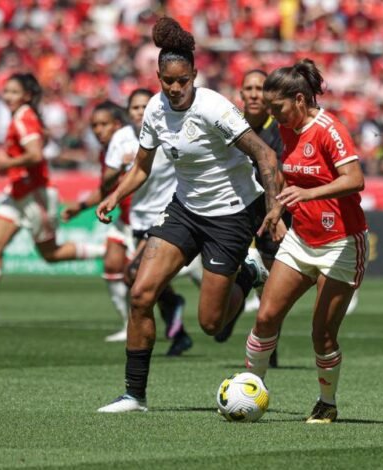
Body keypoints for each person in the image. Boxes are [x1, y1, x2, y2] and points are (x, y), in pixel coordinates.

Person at [95, 17, 283, 413]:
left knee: (213, 325)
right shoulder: (155, 111)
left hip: (232, 214)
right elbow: (142, 168)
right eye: (167, 81)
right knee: (141, 293)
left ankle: (248, 272)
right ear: (158, 76)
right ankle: (135, 395)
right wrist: (115, 196)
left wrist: (274, 212)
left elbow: (265, 155)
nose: (175, 88)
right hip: (184, 210)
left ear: (194, 75)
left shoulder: (214, 107)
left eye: (182, 80)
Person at [243, 59, 369, 423]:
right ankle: (250, 390)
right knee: (266, 317)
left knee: (322, 335)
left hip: (342, 243)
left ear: (300, 99)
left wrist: (307, 196)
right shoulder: (287, 129)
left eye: (277, 108)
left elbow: (355, 179)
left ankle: (327, 403)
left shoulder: (330, 129)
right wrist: (276, 208)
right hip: (301, 238)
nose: (273, 116)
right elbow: (289, 174)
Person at [0, 73, 103, 323]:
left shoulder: (24, 118)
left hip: (36, 195)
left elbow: (35, 155)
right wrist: (8, 167)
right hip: (17, 193)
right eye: (6, 91)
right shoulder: (20, 118)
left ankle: (110, 251)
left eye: (13, 92)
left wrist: (7, 162)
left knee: (51, 254)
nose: (7, 96)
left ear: (27, 95)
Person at [212, 69, 287, 369]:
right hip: (234, 211)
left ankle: (268, 348)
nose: (255, 94)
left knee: (270, 286)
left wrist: (277, 209)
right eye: (249, 88)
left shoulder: (280, 131)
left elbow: (283, 177)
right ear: (240, 94)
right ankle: (231, 308)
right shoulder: (230, 126)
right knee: (229, 278)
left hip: (271, 213)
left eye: (260, 88)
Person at [119, 88, 198, 357]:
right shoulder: (121, 140)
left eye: (144, 106)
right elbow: (108, 177)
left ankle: (174, 311)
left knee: (133, 274)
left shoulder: (167, 130)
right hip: (137, 220)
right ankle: (179, 332)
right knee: (147, 282)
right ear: (128, 112)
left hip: (165, 216)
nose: (140, 112)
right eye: (134, 108)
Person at [61, 101, 135, 342]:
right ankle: (127, 326)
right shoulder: (107, 153)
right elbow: (106, 189)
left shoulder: (136, 146)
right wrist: (81, 206)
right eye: (94, 125)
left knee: (145, 278)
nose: (98, 130)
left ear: (117, 125)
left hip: (146, 221)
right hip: (123, 221)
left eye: (104, 124)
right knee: (113, 265)